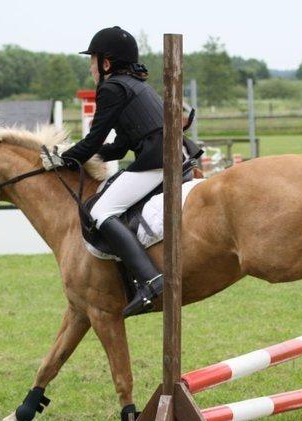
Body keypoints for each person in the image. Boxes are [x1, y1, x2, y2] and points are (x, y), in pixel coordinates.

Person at [49, 26, 201, 317]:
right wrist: (85, 157)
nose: (91, 67)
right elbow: (118, 148)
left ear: (106, 63)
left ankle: (151, 280)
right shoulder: (135, 84)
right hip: (174, 154)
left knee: (100, 211)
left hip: (159, 160)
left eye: (92, 60)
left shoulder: (111, 88)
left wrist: (64, 158)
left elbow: (93, 140)